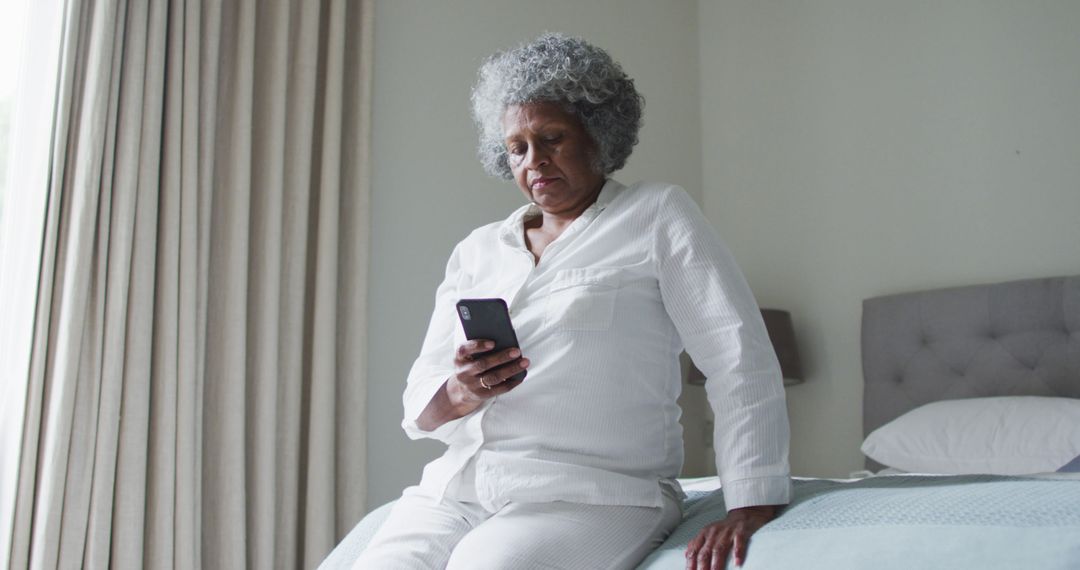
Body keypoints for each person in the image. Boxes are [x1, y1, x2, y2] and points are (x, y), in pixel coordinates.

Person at [354, 33, 791, 570]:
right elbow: (420, 399)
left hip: (596, 493)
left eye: (552, 138)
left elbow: (737, 355)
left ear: (599, 135)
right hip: (459, 488)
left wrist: (750, 501)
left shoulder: (656, 215)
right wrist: (463, 390)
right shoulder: (478, 249)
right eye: (517, 148)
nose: (533, 161)